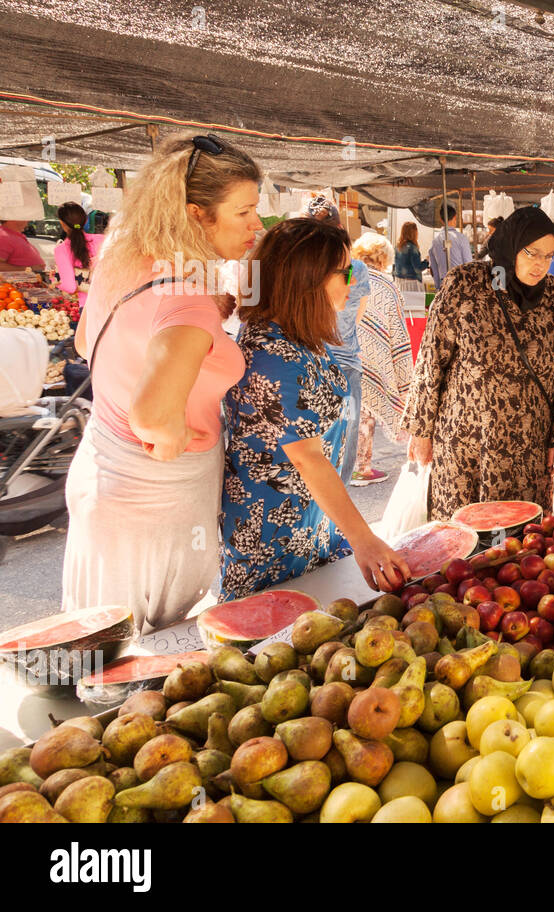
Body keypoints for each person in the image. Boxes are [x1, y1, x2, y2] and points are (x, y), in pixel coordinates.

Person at [62, 133, 260, 632]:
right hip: (156, 501)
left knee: (97, 649)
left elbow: (87, 344)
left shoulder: (121, 259)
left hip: (101, 475)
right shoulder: (189, 300)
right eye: (244, 212)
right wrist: (172, 438)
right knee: (148, 661)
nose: (257, 226)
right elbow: (152, 418)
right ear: (196, 214)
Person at [220, 219, 409, 597]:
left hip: (311, 524)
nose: (353, 282)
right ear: (308, 279)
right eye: (345, 272)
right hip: (274, 537)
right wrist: (364, 541)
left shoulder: (299, 335)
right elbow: (307, 458)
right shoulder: (272, 355)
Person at [403, 207, 554, 518]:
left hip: (528, 445)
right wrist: (421, 429)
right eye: (532, 253)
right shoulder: (466, 283)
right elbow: (432, 358)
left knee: (520, 542)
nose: (540, 264)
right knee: (460, 539)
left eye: (548, 256)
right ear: (510, 245)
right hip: (466, 439)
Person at [309, 198, 370, 483]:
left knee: (334, 448)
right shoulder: (354, 266)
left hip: (336, 363)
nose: (352, 282)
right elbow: (358, 312)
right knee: (341, 445)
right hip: (343, 363)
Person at [349, 231, 414, 487]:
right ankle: (362, 469)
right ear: (384, 257)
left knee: (348, 413)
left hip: (344, 354)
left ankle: (341, 466)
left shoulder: (346, 276)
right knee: (365, 416)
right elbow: (397, 331)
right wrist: (404, 378)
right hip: (374, 359)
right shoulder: (387, 285)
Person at [53, 203, 104, 305]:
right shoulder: (103, 239)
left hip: (87, 307)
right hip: (110, 303)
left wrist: (56, 282)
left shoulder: (61, 249)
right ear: (85, 220)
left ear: (62, 223)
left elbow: (70, 287)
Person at [428, 205, 472, 287]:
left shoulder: (434, 242)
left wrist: (438, 287)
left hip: (443, 285)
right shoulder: (461, 238)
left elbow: (434, 269)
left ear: (441, 219)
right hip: (460, 285)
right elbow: (469, 265)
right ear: (455, 217)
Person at [392, 221, 427, 292]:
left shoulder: (398, 247)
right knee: (414, 303)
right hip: (411, 284)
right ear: (414, 233)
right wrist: (427, 261)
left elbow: (395, 265)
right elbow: (418, 268)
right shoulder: (412, 248)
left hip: (399, 282)